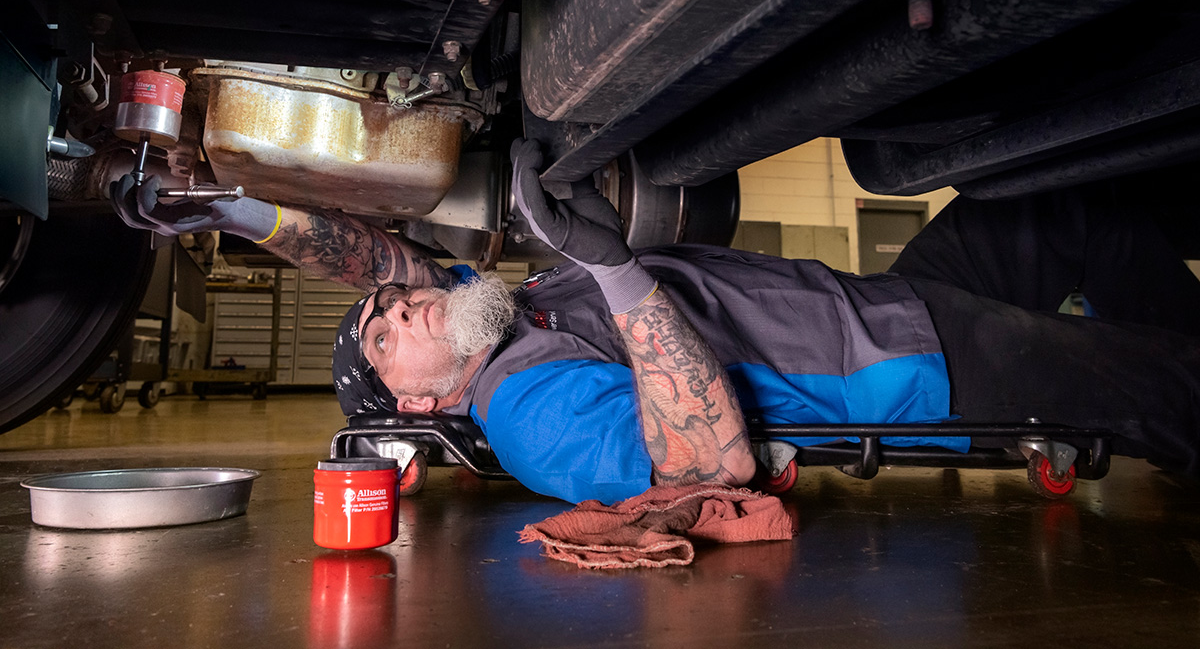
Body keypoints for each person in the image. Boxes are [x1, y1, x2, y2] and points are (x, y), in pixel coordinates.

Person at [110, 140, 1200, 504]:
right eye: (387, 330)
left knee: (1058, 205)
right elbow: (708, 464)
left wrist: (234, 209)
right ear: (419, 402)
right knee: (1167, 390)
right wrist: (618, 272)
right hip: (921, 371)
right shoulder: (529, 406)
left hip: (889, 302)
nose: (397, 300)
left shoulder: (499, 311)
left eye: (394, 296)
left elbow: (362, 256)